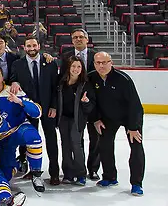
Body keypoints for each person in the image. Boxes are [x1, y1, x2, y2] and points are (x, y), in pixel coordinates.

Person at [0, 66, 45, 192]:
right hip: (1, 138)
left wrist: (20, 102)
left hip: (18, 130)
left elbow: (37, 112)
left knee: (33, 138)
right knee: (6, 174)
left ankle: (36, 173)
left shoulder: (14, 91)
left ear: (3, 78)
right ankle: (18, 164)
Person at [88, 52, 145, 195]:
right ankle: (110, 176)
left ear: (111, 62)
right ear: (94, 63)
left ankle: (137, 183)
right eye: (98, 63)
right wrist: (95, 119)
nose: (101, 65)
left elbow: (134, 105)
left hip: (129, 117)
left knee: (136, 147)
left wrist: (133, 127)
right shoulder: (91, 77)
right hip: (108, 118)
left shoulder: (123, 79)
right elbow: (91, 101)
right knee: (105, 145)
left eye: (104, 62)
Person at [10, 36, 60, 185]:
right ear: (24, 48)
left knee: (51, 141)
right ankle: (32, 170)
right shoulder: (18, 64)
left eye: (34, 45)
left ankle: (54, 172)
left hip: (47, 109)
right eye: (28, 46)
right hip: (28, 109)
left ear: (39, 46)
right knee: (28, 141)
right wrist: (14, 81)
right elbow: (12, 80)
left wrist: (54, 106)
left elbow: (55, 88)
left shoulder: (50, 63)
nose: (31, 49)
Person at [60, 28, 100, 180]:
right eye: (75, 37)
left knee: (94, 139)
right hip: (73, 107)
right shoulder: (66, 56)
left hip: (92, 103)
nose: (78, 39)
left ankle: (93, 168)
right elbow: (62, 80)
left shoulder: (96, 55)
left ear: (87, 39)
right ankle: (72, 171)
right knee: (74, 141)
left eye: (81, 37)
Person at [57, 56, 96, 186]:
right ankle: (68, 173)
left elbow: (90, 107)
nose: (76, 69)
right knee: (65, 145)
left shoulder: (85, 84)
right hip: (63, 118)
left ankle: (81, 174)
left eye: (79, 66)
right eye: (73, 66)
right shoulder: (61, 82)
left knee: (76, 145)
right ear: (69, 67)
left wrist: (86, 102)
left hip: (77, 119)